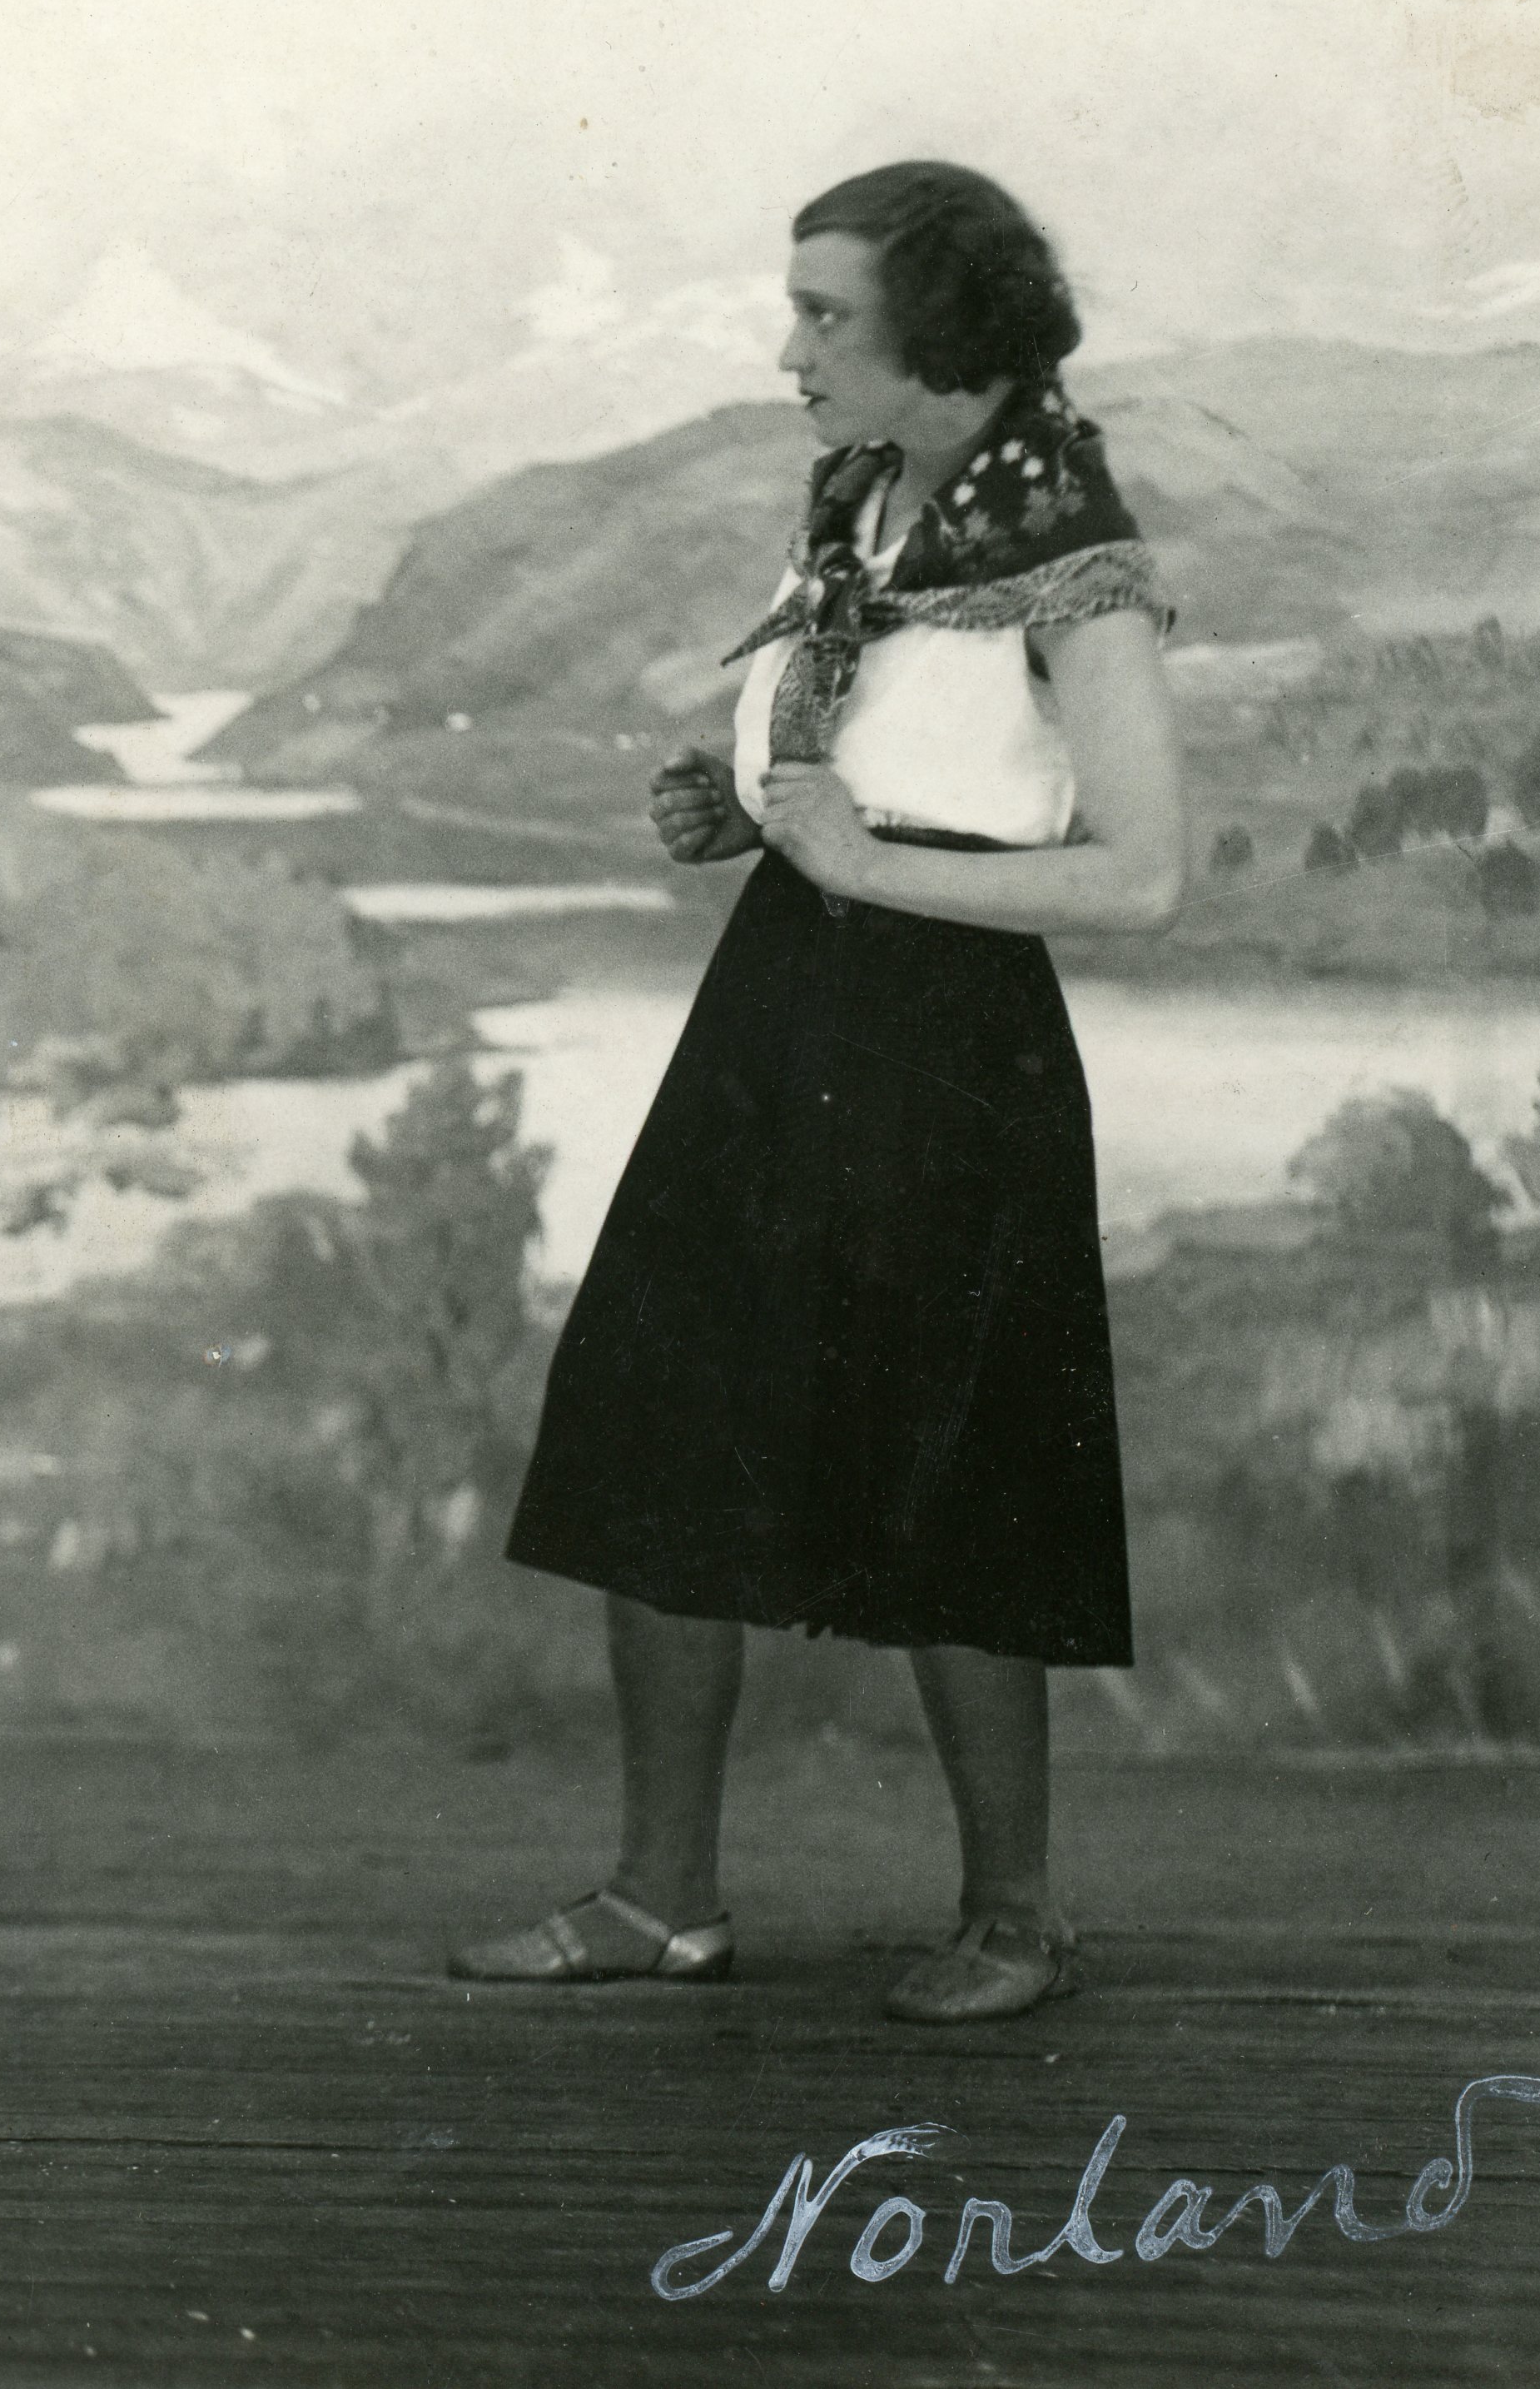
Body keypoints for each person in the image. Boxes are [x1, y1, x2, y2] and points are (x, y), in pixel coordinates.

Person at [452, 162, 1186, 2026]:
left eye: (823, 315)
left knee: (959, 1458)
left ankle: (1014, 1917)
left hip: (950, 1037)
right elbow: (869, 756)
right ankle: (662, 1901)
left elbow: (1145, 874)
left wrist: (866, 863)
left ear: (940, 330)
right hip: (784, 1003)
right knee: (657, 1413)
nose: (790, 352)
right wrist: (747, 810)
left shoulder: (1075, 547)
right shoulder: (862, 497)